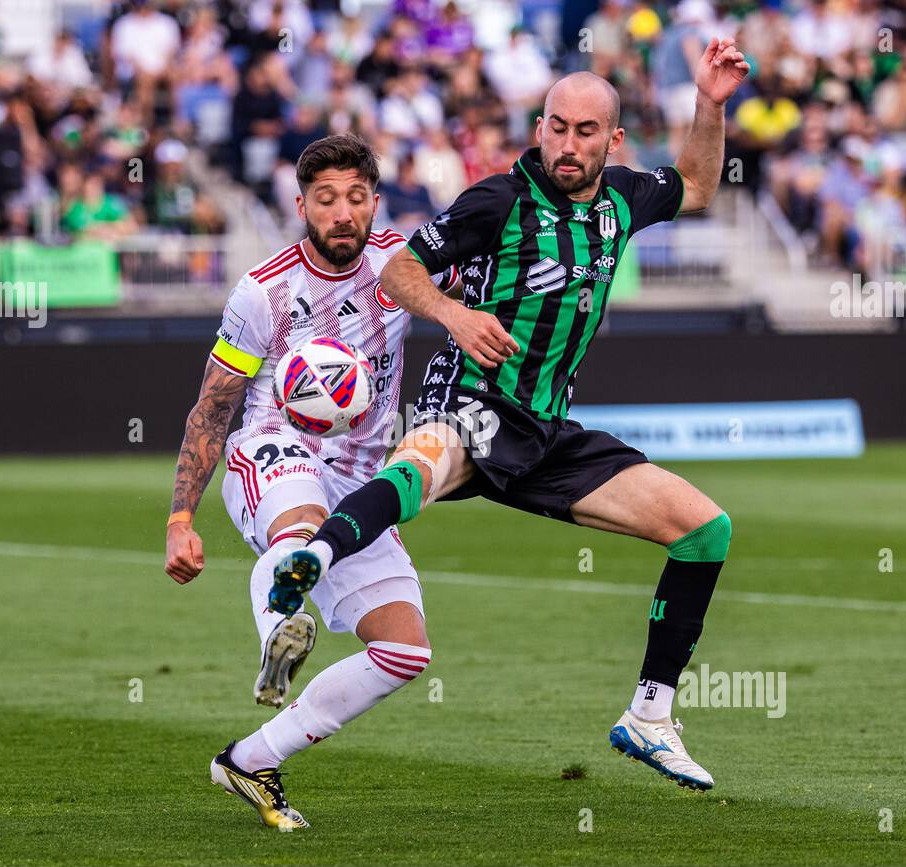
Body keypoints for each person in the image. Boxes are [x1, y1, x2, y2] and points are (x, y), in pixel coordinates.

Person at [269, 44, 750, 793]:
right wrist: (454, 315)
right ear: (539, 126)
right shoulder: (500, 200)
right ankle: (310, 561)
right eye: (556, 127)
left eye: (586, 131)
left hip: (549, 430)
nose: (567, 144)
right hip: (476, 402)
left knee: (704, 531)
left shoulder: (625, 197)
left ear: (612, 142)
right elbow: (401, 269)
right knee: (419, 466)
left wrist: (711, 104)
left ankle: (650, 716)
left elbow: (693, 185)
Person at [163, 135, 459, 829]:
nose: (342, 213)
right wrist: (181, 518)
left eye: (356, 198)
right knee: (297, 531)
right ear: (302, 206)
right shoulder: (263, 292)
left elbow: (472, 294)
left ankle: (251, 758)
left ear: (374, 203)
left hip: (362, 483)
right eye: (326, 200)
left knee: (404, 650)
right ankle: (281, 624)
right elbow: (213, 407)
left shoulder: (399, 266)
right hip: (273, 450)